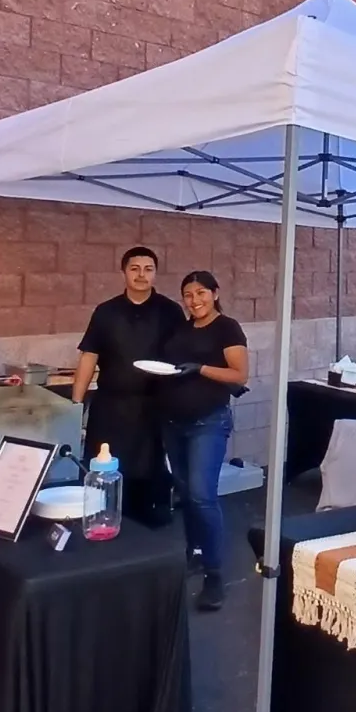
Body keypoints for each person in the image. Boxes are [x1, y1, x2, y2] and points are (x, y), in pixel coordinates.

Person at [157, 269, 249, 611]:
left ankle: (214, 576)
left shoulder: (227, 327)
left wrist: (200, 368)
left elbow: (239, 374)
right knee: (186, 494)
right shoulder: (181, 328)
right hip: (172, 423)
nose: (194, 300)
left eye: (200, 293)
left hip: (207, 422)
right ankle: (194, 552)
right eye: (188, 295)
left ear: (215, 292)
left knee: (201, 494)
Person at [71, 247, 184, 527]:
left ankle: (148, 518)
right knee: (105, 464)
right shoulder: (106, 311)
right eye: (135, 268)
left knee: (150, 464)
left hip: (155, 404)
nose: (141, 275)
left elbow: (184, 355)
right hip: (111, 404)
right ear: (124, 272)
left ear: (155, 273)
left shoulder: (170, 311)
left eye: (148, 269)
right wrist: (75, 404)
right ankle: (103, 518)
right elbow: (89, 356)